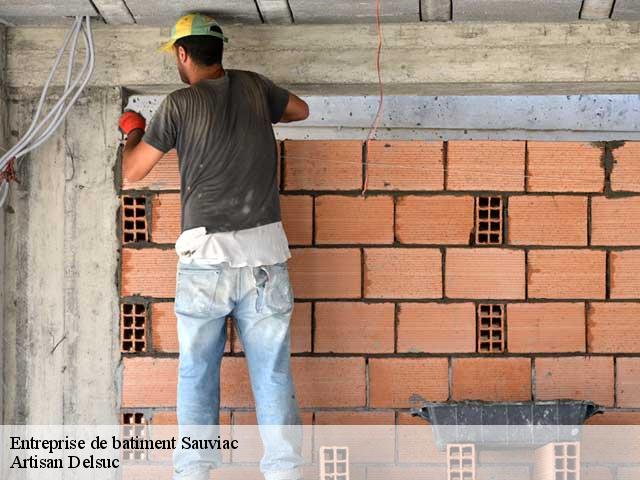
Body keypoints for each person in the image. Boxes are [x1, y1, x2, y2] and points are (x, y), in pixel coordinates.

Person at [118, 13, 309, 480]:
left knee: (198, 373)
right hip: (265, 260)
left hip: (205, 261)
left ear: (182, 54)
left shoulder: (179, 103)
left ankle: (194, 471)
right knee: (273, 374)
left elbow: (133, 171)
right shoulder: (255, 87)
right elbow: (300, 110)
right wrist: (261, 108)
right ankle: (285, 472)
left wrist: (133, 131)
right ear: (219, 53)